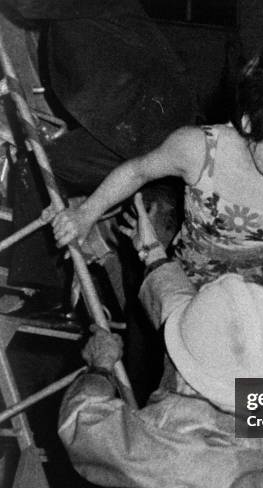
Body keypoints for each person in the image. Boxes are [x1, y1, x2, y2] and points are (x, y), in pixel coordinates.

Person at [57, 197, 263, 488]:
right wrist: (152, 254)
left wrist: (98, 369)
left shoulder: (169, 440)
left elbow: (81, 425)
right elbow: (182, 315)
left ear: (188, 371)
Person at [52, 39, 263, 364]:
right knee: (202, 368)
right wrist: (86, 214)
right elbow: (137, 171)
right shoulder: (198, 149)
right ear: (249, 123)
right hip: (195, 281)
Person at [3, 0, 198, 306]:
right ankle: (46, 288)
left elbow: (28, 5)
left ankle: (44, 288)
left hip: (146, 130)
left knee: (41, 171)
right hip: (134, 130)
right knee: (42, 169)